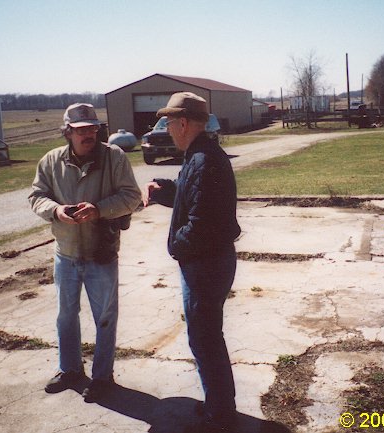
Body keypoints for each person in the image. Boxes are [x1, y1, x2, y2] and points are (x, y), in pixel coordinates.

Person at [141, 92, 241, 433]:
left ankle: (221, 415)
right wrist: (161, 189)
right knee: (207, 337)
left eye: (169, 122)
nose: (167, 129)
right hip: (209, 262)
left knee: (205, 339)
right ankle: (218, 405)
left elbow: (201, 221)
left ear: (183, 123)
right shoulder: (201, 155)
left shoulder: (204, 160)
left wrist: (175, 247)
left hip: (205, 266)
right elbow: (190, 194)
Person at [29, 102, 141, 403]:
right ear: (68, 132)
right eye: (80, 130)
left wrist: (100, 209)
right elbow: (36, 196)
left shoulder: (114, 157)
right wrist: (56, 211)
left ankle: (103, 377)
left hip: (101, 254)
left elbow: (132, 196)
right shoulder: (51, 161)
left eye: (92, 128)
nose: (88, 134)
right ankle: (70, 370)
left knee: (105, 317)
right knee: (65, 315)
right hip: (65, 253)